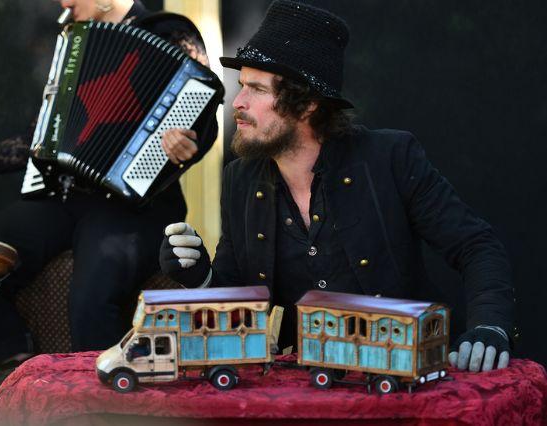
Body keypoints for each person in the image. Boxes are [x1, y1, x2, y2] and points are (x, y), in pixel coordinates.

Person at [159, 0, 514, 373]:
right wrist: (199, 278)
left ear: (307, 104)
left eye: (257, 89)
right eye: (242, 85)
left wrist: (488, 326)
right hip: (305, 387)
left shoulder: (389, 158)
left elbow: (477, 246)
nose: (239, 101)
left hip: (406, 371)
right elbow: (241, 298)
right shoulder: (240, 179)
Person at [0, 0, 217, 358]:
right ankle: (16, 367)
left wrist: (188, 142)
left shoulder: (171, 32)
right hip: (70, 195)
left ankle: (100, 404)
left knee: (91, 299)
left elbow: (204, 112)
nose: (64, 3)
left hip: (137, 205)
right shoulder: (75, 44)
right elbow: (40, 138)